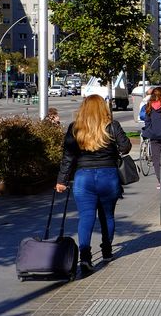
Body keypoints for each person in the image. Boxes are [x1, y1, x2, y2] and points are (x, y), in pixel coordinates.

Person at [55, 95, 131, 273]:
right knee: (108, 216)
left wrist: (61, 181)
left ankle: (86, 258)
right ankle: (106, 251)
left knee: (86, 217)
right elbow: (126, 147)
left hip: (83, 178)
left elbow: (68, 157)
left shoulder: (75, 128)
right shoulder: (112, 126)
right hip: (108, 176)